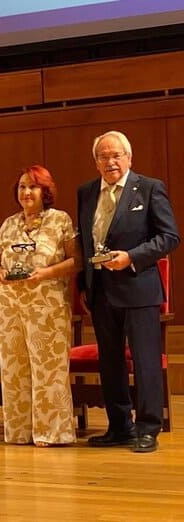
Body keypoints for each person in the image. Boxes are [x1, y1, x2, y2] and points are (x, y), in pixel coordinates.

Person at [78, 131, 179, 453]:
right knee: (110, 363)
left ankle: (148, 427)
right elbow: (84, 243)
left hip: (139, 289)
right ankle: (119, 426)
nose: (111, 161)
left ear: (129, 158)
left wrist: (131, 258)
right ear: (96, 162)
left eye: (117, 155)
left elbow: (169, 237)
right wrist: (84, 285)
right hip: (101, 292)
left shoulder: (149, 188)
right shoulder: (87, 192)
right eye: (104, 156)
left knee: (145, 360)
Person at [0, 166, 82, 446]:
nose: (26, 193)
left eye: (33, 187)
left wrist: (45, 274)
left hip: (47, 305)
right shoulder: (9, 223)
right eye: (22, 187)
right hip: (10, 305)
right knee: (14, 368)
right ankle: (19, 431)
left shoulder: (59, 220)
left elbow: (76, 260)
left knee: (48, 368)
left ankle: (52, 432)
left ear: (45, 191)